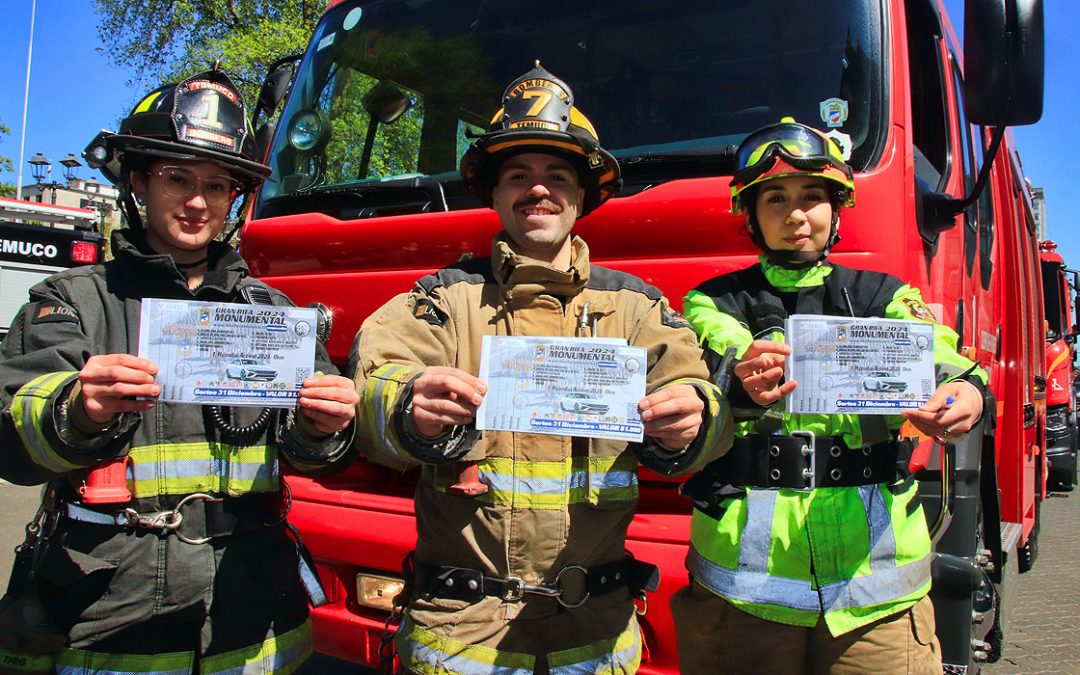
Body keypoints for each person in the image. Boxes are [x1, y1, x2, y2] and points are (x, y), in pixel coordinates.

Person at [352, 63, 732, 674]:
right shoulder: (439, 302)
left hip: (595, 631)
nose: (539, 189)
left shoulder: (637, 309)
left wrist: (693, 422)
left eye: (558, 176)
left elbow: (702, 400)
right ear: (496, 193)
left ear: (582, 197)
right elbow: (371, 385)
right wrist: (406, 407)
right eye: (519, 176)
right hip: (460, 635)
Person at [0, 67, 358, 674]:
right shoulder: (69, 302)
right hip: (108, 618)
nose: (197, 202)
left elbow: (314, 454)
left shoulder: (272, 317)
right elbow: (11, 441)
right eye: (177, 179)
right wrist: (76, 413)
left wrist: (325, 428)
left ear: (233, 199)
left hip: (252, 619)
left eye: (217, 186)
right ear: (139, 181)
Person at [670, 118, 987, 673]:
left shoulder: (888, 296)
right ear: (750, 214)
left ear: (836, 211)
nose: (795, 214)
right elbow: (721, 348)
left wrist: (964, 391)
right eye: (774, 198)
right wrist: (741, 374)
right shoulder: (712, 301)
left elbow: (940, 353)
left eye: (812, 197)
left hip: (877, 597)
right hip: (745, 594)